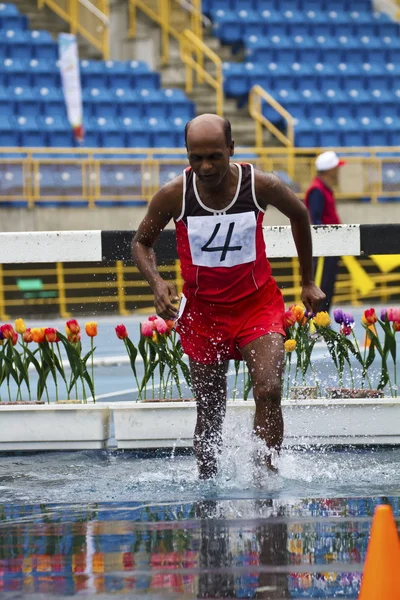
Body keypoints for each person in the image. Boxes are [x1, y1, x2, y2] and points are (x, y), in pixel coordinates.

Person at [132, 114, 325, 479]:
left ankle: (266, 475)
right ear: (187, 155)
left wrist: (308, 281)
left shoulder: (258, 185)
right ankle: (208, 483)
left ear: (232, 150)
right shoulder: (175, 194)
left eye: (215, 157)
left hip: (257, 305)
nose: (205, 166)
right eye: (196, 157)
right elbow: (141, 243)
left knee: (269, 388)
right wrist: (157, 282)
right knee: (210, 409)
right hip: (203, 314)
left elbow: (300, 214)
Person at [305, 150, 346, 314]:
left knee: (327, 287)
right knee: (322, 287)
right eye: (336, 168)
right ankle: (316, 326)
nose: (338, 171)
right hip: (324, 249)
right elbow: (316, 221)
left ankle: (321, 323)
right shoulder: (317, 190)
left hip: (330, 248)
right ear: (330, 170)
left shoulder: (323, 189)